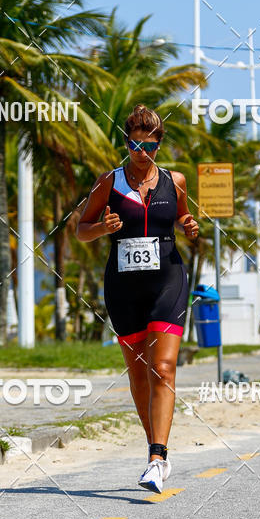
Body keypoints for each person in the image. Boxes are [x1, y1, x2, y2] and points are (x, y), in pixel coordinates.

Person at [76, 104, 199, 494]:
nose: (141, 153)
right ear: (126, 143)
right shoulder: (108, 182)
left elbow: (180, 217)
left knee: (162, 367)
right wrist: (102, 227)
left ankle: (157, 459)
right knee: (139, 374)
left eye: (149, 146)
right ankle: (155, 446)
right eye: (134, 145)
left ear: (159, 146)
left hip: (168, 278)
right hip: (124, 285)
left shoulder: (175, 181)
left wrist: (187, 224)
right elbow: (80, 229)